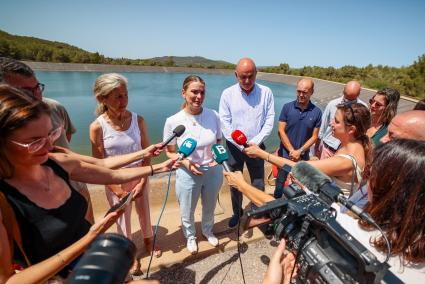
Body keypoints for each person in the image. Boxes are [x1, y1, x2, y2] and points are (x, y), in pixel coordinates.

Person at [0, 85, 176, 282]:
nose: (50, 146)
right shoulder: (5, 199)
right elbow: (8, 280)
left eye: (51, 134)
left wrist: (157, 167)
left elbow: (107, 169)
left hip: (96, 264)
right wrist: (89, 239)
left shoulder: (56, 163)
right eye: (35, 142)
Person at [0, 57, 94, 223]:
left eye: (38, 87)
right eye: (27, 92)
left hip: (75, 187)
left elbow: (66, 145)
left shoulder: (54, 108)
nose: (37, 96)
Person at [89, 73, 162, 273]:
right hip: (115, 184)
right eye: (117, 97)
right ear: (102, 99)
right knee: (122, 221)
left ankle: (148, 241)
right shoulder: (97, 127)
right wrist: (116, 189)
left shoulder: (138, 120)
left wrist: (141, 180)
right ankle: (129, 255)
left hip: (139, 177)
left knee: (145, 212)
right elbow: (98, 165)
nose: (124, 101)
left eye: (125, 95)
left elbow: (147, 152)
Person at [246, 102, 371, 197]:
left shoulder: (346, 161)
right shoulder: (355, 145)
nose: (331, 123)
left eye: (337, 121)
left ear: (351, 129)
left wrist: (261, 153)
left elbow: (299, 167)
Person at [163, 75, 223, 254]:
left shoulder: (214, 115)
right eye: (194, 92)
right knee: (187, 208)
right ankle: (190, 235)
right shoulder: (173, 121)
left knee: (210, 205)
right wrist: (187, 163)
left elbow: (218, 142)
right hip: (187, 172)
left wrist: (216, 157)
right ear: (184, 93)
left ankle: (207, 230)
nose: (198, 96)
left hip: (212, 170)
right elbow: (169, 151)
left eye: (202, 92)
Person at [219, 57, 275, 227]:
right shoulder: (227, 94)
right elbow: (224, 123)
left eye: (250, 76)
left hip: (256, 146)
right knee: (235, 183)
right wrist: (240, 146)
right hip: (234, 148)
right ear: (236, 75)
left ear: (256, 74)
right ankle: (238, 213)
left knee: (258, 181)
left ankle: (258, 212)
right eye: (243, 77)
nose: (247, 81)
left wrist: (254, 143)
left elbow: (269, 121)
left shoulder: (266, 92)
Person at [274, 78, 321, 198]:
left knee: (299, 185)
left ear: (312, 92)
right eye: (298, 91)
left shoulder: (317, 112)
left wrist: (299, 151)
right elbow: (281, 130)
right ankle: (276, 205)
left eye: (304, 92)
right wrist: (291, 151)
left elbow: (314, 136)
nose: (300, 95)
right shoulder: (287, 107)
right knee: (280, 182)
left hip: (302, 157)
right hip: (285, 155)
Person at [315, 80, 367, 159]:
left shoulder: (363, 108)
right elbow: (323, 126)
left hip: (347, 153)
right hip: (328, 149)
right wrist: (317, 147)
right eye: (346, 97)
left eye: (351, 99)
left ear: (359, 93)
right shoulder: (332, 104)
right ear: (343, 89)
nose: (348, 101)